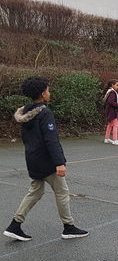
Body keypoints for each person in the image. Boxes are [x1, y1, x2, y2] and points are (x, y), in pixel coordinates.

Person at [3, 77, 89, 241]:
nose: (49, 93)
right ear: (43, 94)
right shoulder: (45, 113)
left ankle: (15, 225)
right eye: (48, 90)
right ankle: (68, 227)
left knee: (35, 192)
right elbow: (51, 139)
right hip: (47, 161)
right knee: (62, 192)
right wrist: (59, 163)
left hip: (33, 159)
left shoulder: (25, 114)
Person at [104, 80, 118, 146]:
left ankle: (107, 139)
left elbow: (116, 101)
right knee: (116, 125)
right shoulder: (112, 92)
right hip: (112, 111)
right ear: (112, 85)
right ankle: (115, 140)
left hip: (110, 111)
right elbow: (111, 102)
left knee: (110, 125)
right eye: (117, 85)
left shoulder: (111, 92)